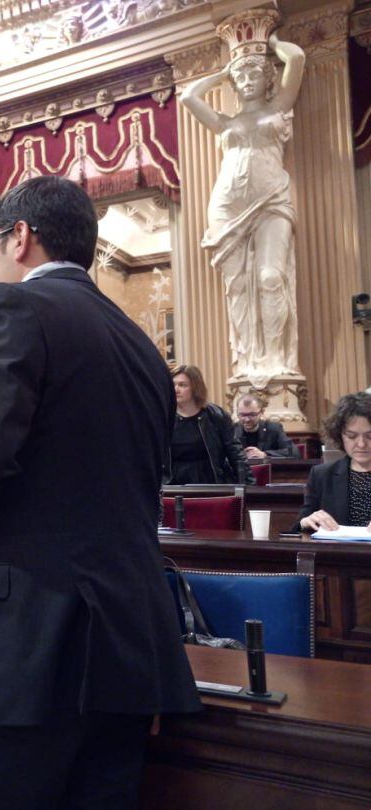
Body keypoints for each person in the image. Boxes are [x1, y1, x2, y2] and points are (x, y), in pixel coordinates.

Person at [0, 176, 200, 809]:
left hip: (18, 650)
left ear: (19, 237)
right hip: (126, 650)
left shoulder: (9, 306)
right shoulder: (143, 349)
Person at [182, 27, 305, 386]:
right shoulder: (225, 122)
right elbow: (189, 96)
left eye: (255, 73)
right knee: (236, 288)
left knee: (270, 277)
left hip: (272, 201)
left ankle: (277, 361)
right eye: (242, 76)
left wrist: (274, 46)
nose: (248, 80)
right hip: (227, 206)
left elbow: (296, 59)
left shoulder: (279, 106)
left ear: (268, 77)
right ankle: (248, 361)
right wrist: (225, 71)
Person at [296, 392, 371, 532]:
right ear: (340, 435)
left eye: (370, 436)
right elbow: (298, 528)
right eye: (351, 436)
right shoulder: (322, 475)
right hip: (338, 553)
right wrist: (306, 521)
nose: (361, 444)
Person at [167, 364, 251, 485]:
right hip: (173, 483)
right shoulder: (165, 417)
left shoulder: (216, 415)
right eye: (173, 384)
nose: (176, 389)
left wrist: (250, 485)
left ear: (195, 387)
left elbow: (235, 452)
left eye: (182, 385)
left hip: (211, 481)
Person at [234, 394, 298, 461]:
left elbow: (294, 453)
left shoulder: (274, 429)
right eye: (242, 415)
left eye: (252, 415)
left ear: (261, 412)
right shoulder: (233, 430)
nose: (247, 419)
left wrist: (265, 454)